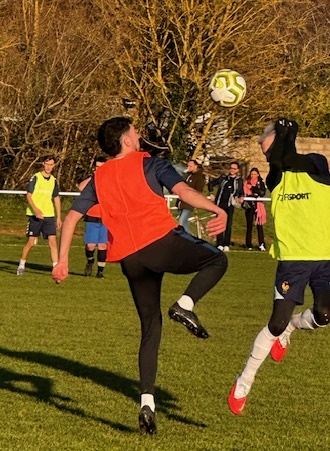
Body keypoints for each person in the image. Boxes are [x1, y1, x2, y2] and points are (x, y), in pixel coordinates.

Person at [52, 117, 228, 435]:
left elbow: (72, 217)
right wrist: (217, 210)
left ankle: (147, 402)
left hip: (130, 259)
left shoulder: (99, 177)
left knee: (150, 327)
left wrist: (62, 261)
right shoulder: (150, 163)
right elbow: (184, 191)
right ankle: (185, 304)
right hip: (160, 242)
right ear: (126, 140)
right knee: (217, 260)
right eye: (134, 132)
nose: (138, 135)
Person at [228, 118, 330, 415]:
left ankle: (293, 325)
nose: (267, 156)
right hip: (292, 259)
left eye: (268, 148)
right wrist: (287, 133)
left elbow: (290, 157)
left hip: (325, 257)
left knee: (324, 315)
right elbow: (282, 160)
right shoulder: (275, 177)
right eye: (265, 153)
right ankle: (245, 379)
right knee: (275, 323)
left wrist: (286, 134)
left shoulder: (316, 163)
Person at [17, 155, 62, 276]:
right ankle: (21, 264)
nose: (49, 167)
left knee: (53, 242)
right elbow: (29, 195)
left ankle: (56, 268)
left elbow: (56, 198)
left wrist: (58, 217)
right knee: (31, 242)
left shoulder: (54, 181)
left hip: (49, 215)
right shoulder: (36, 177)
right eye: (47, 164)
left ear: (54, 166)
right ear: (43, 164)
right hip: (35, 215)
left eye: (51, 165)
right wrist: (36, 210)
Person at [77, 156, 108, 278]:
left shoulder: (109, 180)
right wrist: (93, 177)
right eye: (97, 167)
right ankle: (90, 262)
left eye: (101, 167)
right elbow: (80, 187)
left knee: (102, 245)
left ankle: (100, 271)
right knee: (90, 245)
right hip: (92, 215)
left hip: (105, 217)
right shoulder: (92, 180)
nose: (99, 169)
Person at [207, 162, 244, 252]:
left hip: (230, 205)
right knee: (219, 223)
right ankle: (219, 243)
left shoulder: (239, 180)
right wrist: (211, 193)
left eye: (234, 169)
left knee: (228, 224)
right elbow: (211, 184)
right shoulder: (223, 178)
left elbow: (241, 191)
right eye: (231, 168)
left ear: (237, 170)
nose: (232, 170)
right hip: (220, 204)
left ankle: (226, 244)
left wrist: (241, 197)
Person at [176, 160, 206, 234]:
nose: (188, 168)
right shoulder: (186, 175)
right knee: (184, 223)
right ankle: (188, 237)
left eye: (190, 166)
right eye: (188, 166)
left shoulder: (200, 177)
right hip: (181, 202)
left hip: (189, 203)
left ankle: (186, 238)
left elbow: (199, 190)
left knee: (181, 222)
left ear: (196, 166)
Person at [243, 167, 267, 251]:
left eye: (254, 174)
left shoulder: (261, 183)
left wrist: (253, 188)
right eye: (252, 174)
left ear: (258, 175)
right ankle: (248, 244)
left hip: (258, 205)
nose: (253, 176)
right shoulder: (246, 183)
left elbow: (262, 193)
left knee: (259, 226)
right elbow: (245, 193)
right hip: (249, 206)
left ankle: (261, 244)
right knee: (249, 225)